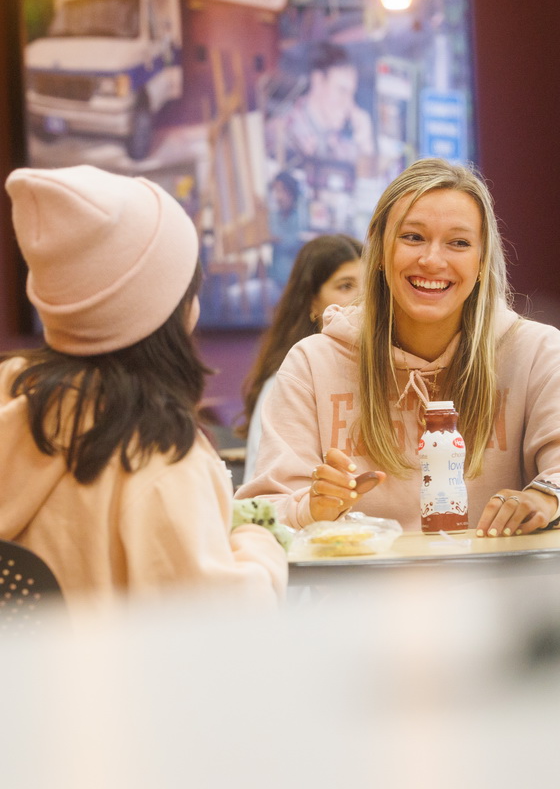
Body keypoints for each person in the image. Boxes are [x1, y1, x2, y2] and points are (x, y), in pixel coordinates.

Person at [0, 164, 287, 612]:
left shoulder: (12, 396)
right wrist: (257, 544)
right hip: (119, 683)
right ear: (170, 311)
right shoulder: (159, 456)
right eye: (191, 287)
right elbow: (223, 633)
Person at [236, 157, 560, 537]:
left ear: (482, 259)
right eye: (413, 237)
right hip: (364, 596)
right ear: (378, 249)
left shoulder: (536, 352)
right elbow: (259, 515)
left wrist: (546, 496)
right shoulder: (311, 363)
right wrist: (311, 508)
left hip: (502, 594)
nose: (432, 260)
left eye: (458, 242)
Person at [237, 233, 363, 483]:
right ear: (312, 302)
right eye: (345, 286)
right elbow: (267, 491)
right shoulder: (291, 379)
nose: (363, 297)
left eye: (373, 285)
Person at [267, 42, 375, 172]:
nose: (349, 104)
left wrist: (365, 143)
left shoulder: (340, 144)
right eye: (342, 90)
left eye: (352, 94)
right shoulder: (280, 133)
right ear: (318, 81)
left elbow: (367, 183)